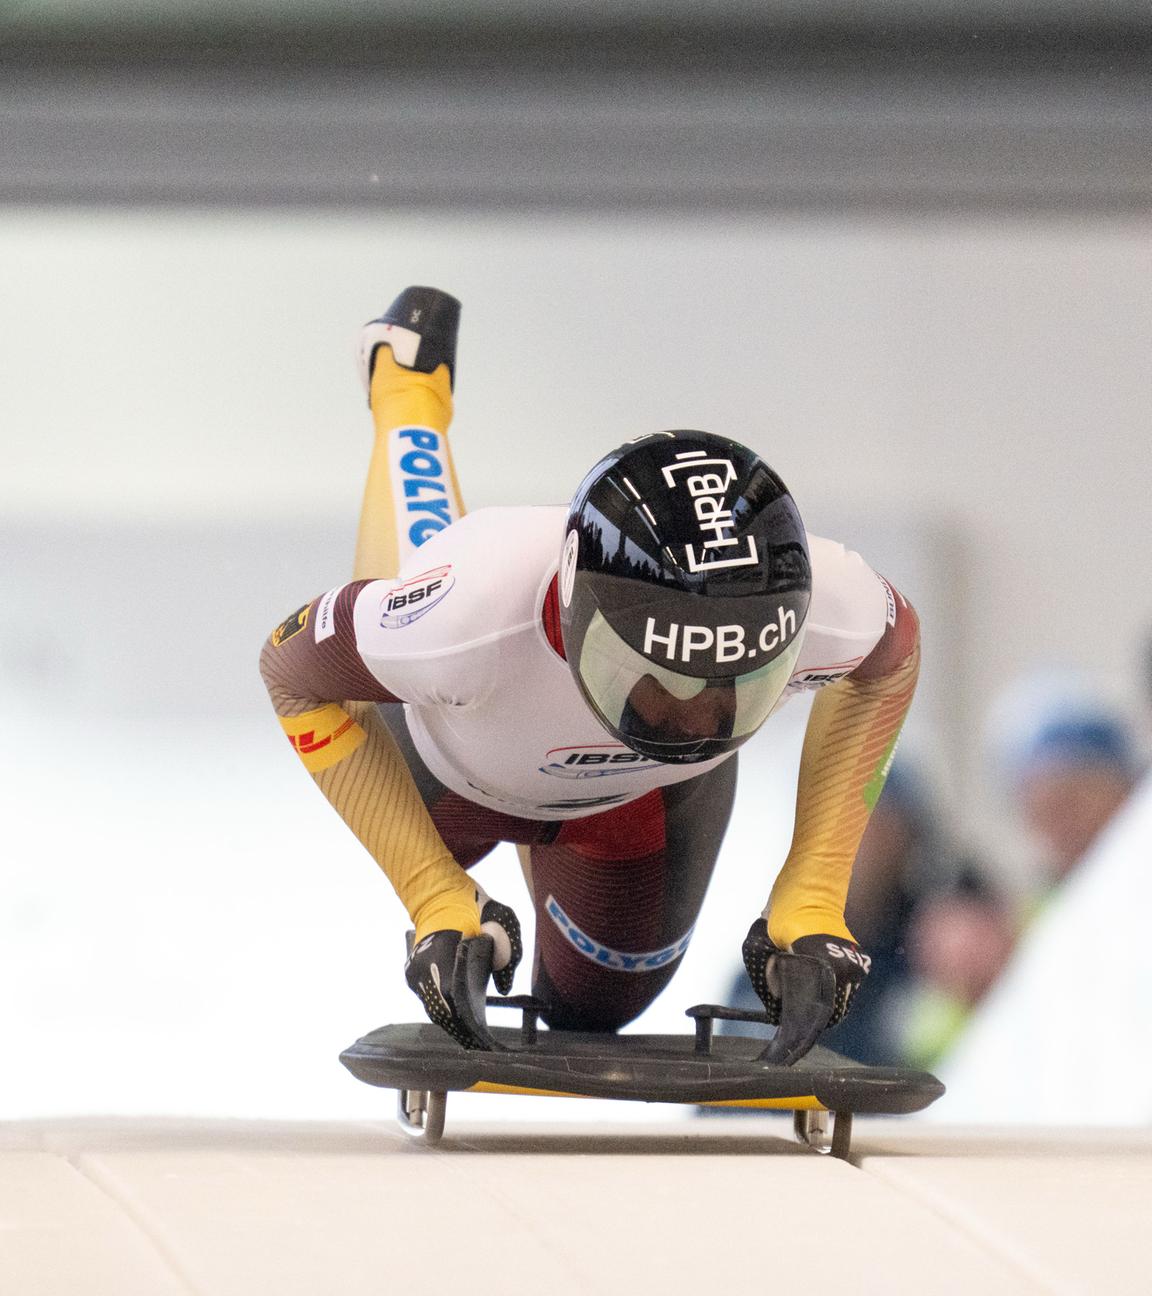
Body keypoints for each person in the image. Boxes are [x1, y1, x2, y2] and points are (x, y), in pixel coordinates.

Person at [258, 286, 921, 1063]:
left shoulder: (830, 601)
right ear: (575, 622)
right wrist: (433, 896)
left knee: (593, 1013)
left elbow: (890, 665)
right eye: (657, 680)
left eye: (737, 684)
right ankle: (408, 386)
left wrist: (812, 898)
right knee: (423, 594)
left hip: (610, 793)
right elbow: (292, 671)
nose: (691, 720)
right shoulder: (473, 611)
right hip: (446, 757)